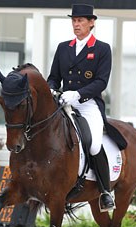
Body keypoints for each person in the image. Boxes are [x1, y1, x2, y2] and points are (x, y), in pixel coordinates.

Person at [47, 3, 115, 212]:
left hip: (87, 104)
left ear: (91, 23)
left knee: (93, 144)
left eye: (80, 21)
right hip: (63, 102)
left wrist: (78, 93)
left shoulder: (102, 49)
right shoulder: (63, 47)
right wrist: (51, 90)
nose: (76, 24)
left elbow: (101, 82)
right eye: (74, 21)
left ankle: (105, 192)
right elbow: (53, 78)